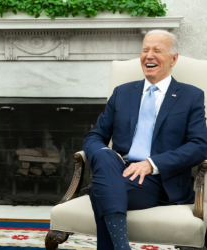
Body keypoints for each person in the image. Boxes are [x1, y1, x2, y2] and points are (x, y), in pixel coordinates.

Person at [83, 29, 207, 250]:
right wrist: (104, 153)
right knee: (104, 156)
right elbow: (95, 136)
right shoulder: (122, 93)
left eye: (157, 50)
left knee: (99, 191)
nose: (149, 55)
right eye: (145, 49)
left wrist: (152, 164)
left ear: (173, 59)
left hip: (160, 179)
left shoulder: (191, 95)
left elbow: (200, 146)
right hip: (120, 169)